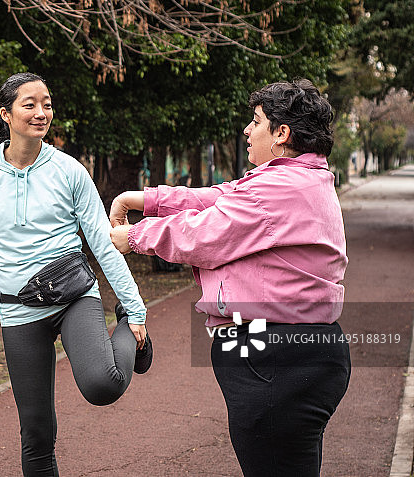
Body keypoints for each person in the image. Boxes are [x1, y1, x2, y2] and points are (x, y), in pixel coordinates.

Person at [110, 79, 351, 477]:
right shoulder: (302, 179)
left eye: (255, 121)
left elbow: (204, 232)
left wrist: (133, 236)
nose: (246, 130)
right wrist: (146, 199)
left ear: (281, 134)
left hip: (272, 356)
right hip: (300, 352)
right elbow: (223, 197)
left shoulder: (276, 188)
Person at [0, 72, 153, 476]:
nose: (41, 113)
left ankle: (128, 327)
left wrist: (136, 307)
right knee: (37, 434)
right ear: (5, 114)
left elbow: (102, 241)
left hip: (73, 296)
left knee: (103, 385)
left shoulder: (69, 170)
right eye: (30, 104)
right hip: (19, 311)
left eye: (47, 104)